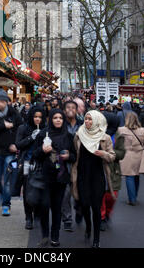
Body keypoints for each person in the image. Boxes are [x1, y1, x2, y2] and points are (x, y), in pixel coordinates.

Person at [71, 110, 116, 248]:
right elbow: (74, 155)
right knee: (84, 205)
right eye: (86, 119)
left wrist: (104, 154)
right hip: (82, 175)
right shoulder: (79, 135)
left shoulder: (105, 137)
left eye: (91, 119)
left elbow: (112, 156)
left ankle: (96, 239)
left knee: (96, 208)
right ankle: (88, 226)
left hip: (97, 177)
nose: (88, 122)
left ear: (97, 121)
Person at [32, 109, 76, 247]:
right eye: (55, 118)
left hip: (60, 176)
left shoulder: (68, 136)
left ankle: (55, 236)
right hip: (44, 176)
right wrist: (42, 151)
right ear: (50, 119)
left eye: (60, 118)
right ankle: (45, 235)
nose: (58, 120)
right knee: (44, 206)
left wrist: (69, 156)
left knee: (57, 207)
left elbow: (74, 156)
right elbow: (34, 154)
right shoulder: (42, 134)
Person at [16, 107, 46, 230]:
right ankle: (28, 217)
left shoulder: (45, 129)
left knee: (40, 190)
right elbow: (18, 144)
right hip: (27, 163)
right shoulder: (23, 128)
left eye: (40, 117)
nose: (37, 119)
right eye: (35, 116)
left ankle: (37, 213)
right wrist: (31, 137)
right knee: (27, 191)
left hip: (40, 164)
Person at [118, 112, 144, 206]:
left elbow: (117, 142)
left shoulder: (121, 130)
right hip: (139, 154)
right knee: (136, 175)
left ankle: (132, 199)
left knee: (129, 176)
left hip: (127, 155)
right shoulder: (142, 130)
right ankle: (134, 196)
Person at [61, 100, 82, 231]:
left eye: (73, 108)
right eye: (68, 107)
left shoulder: (83, 125)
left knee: (80, 189)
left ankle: (79, 209)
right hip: (65, 163)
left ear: (77, 110)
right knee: (66, 192)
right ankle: (67, 218)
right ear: (64, 110)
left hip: (80, 162)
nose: (70, 110)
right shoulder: (60, 125)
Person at [100, 122, 125, 231]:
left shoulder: (118, 136)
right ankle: (101, 218)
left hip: (113, 169)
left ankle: (108, 214)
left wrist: (108, 153)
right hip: (99, 168)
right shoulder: (96, 134)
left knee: (111, 196)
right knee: (100, 195)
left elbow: (121, 153)